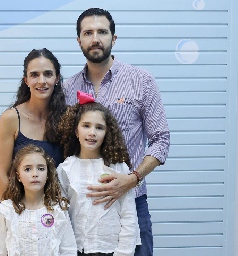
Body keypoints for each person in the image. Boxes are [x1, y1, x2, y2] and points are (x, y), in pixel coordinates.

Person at [63, 8, 171, 255]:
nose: (95, 38)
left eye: (102, 31)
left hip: (132, 202)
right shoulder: (68, 89)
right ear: (79, 40)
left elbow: (161, 140)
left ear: (114, 37)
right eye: (88, 33)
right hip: (83, 209)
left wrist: (131, 179)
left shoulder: (141, 81)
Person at [56, 92, 141, 255]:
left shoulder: (119, 168)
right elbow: (62, 216)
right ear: (76, 131)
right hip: (77, 249)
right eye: (86, 125)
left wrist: (124, 252)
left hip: (111, 249)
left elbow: (129, 215)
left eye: (99, 127)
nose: (92, 132)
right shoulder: (65, 169)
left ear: (107, 133)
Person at [0, 48, 67, 198]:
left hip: (61, 212)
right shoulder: (11, 118)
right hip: (22, 213)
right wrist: (18, 213)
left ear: (57, 78)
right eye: (34, 75)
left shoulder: (68, 118)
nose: (41, 81)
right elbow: (0, 174)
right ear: (26, 80)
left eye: (48, 74)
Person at [0, 144, 77, 256]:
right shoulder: (9, 210)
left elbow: (68, 250)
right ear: (18, 176)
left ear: (47, 174)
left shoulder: (58, 209)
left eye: (41, 168)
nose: (35, 174)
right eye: (27, 169)